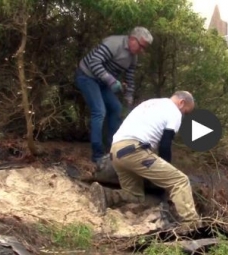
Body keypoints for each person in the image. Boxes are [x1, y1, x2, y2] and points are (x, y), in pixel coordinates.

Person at [88, 91, 200, 225]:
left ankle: (106, 195)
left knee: (135, 196)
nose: (183, 115)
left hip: (115, 151)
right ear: (182, 103)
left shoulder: (149, 103)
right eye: (185, 112)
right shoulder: (174, 111)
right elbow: (165, 145)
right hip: (134, 150)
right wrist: (164, 175)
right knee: (180, 181)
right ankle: (192, 224)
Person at [75, 27, 153, 164]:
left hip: (102, 82)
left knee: (117, 110)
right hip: (87, 76)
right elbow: (94, 62)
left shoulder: (133, 58)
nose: (142, 50)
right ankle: (97, 156)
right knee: (99, 111)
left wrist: (129, 101)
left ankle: (111, 150)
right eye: (141, 46)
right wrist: (110, 80)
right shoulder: (113, 43)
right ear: (132, 39)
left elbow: (130, 79)